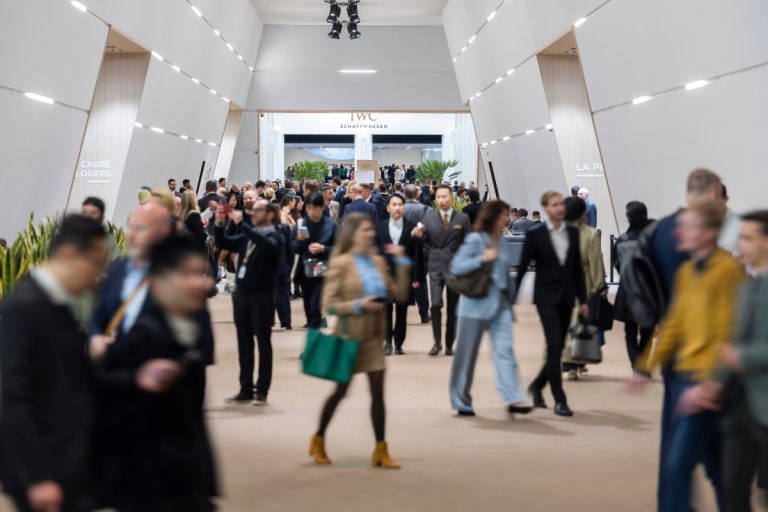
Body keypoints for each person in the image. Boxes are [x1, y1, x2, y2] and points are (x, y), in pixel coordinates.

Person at [632, 200, 745, 511]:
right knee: (717, 466)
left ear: (709, 233)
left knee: (677, 464)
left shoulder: (727, 272)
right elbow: (675, 323)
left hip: (707, 385)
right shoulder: (687, 272)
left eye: (689, 227)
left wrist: (711, 384)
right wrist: (645, 365)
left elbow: (730, 333)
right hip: (687, 379)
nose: (679, 232)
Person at [95, 234, 217, 511]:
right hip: (149, 485)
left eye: (199, 273)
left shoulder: (192, 329)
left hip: (184, 477)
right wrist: (136, 379)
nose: (198, 282)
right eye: (186, 274)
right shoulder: (146, 334)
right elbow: (101, 387)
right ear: (160, 283)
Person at [0, 215, 107, 512]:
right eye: (95, 262)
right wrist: (37, 477)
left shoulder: (54, 303)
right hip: (47, 473)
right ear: (70, 253)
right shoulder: (26, 307)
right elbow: (17, 399)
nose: (98, 274)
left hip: (65, 465)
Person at [677, 210, 768, 511]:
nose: (739, 245)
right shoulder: (747, 286)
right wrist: (712, 383)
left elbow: (741, 350)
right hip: (740, 404)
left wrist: (742, 356)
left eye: (747, 238)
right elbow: (733, 341)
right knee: (732, 487)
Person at [647, 168, 726, 507]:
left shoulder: (661, 229)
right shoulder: (700, 261)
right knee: (698, 456)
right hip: (694, 362)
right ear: (713, 194)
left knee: (688, 452)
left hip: (689, 364)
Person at [309, 213, 411, 469]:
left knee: (378, 394)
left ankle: (381, 449)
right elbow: (328, 305)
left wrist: (402, 262)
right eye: (364, 230)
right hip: (349, 338)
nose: (370, 234)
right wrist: (358, 305)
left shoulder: (378, 261)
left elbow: (399, 294)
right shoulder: (341, 263)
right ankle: (318, 438)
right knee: (340, 393)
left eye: (370, 230)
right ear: (352, 234)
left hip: (374, 337)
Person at [449, 201, 533, 417]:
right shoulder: (476, 240)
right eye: (503, 214)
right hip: (474, 305)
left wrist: (510, 302)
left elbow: (505, 275)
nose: (507, 218)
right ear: (492, 217)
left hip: (500, 305)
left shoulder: (501, 241)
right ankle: (461, 400)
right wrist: (481, 259)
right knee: (466, 356)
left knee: (505, 351)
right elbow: (456, 267)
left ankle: (514, 397)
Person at [515, 191, 588, 417]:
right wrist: (511, 299)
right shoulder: (535, 234)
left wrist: (584, 300)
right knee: (555, 344)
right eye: (554, 205)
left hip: (567, 297)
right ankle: (559, 398)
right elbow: (522, 266)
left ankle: (537, 386)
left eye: (561, 204)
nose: (560, 208)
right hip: (545, 298)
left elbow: (577, 269)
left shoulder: (573, 233)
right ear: (545, 208)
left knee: (557, 347)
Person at [214, 199, 284, 405]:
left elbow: (268, 246)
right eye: (252, 210)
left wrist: (243, 223)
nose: (253, 213)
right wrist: (219, 222)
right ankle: (245, 388)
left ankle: (262, 390)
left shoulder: (276, 236)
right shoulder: (248, 235)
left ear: (270, 214)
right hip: (242, 295)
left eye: (258, 210)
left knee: (263, 343)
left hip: (262, 296)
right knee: (244, 343)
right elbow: (224, 242)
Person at [412, 185, 472, 356]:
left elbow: (468, 244)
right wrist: (417, 236)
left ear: (451, 197)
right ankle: (437, 342)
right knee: (436, 304)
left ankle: (449, 344)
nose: (441, 200)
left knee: (453, 308)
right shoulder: (429, 218)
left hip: (455, 268)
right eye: (438, 197)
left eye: (444, 196)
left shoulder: (462, 218)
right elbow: (423, 242)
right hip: (435, 267)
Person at [561, 197, 606, 381]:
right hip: (584, 287)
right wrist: (599, 288)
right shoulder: (590, 234)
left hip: (559, 287)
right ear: (582, 213)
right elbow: (596, 264)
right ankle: (576, 363)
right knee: (580, 324)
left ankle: (569, 363)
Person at [375, 194, 421, 355]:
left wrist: (417, 277)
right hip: (385, 275)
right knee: (386, 310)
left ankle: (399, 343)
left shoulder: (411, 227)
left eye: (400, 204)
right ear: (388, 208)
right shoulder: (380, 227)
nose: (397, 208)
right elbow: (375, 252)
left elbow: (417, 254)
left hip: (404, 275)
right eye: (394, 205)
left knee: (402, 311)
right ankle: (387, 342)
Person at [613, 201, 655, 371]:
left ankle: (635, 364)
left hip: (627, 289)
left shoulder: (622, 240)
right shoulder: (652, 239)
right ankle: (642, 365)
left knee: (630, 330)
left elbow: (617, 264)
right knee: (647, 331)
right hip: (649, 289)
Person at [293, 192, 339, 328]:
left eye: (314, 208)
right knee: (308, 305)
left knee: (315, 303)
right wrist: (299, 240)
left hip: (324, 269)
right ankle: (314, 324)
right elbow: (292, 248)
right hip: (305, 270)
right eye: (308, 208)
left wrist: (324, 248)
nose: (311, 211)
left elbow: (339, 248)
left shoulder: (331, 225)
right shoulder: (301, 224)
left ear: (321, 207)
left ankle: (316, 328)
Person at [403, 184, 432, 324]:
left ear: (404, 195)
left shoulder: (399, 209)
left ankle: (401, 313)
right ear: (418, 195)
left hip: (403, 250)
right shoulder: (426, 210)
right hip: (421, 250)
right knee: (421, 281)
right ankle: (424, 314)